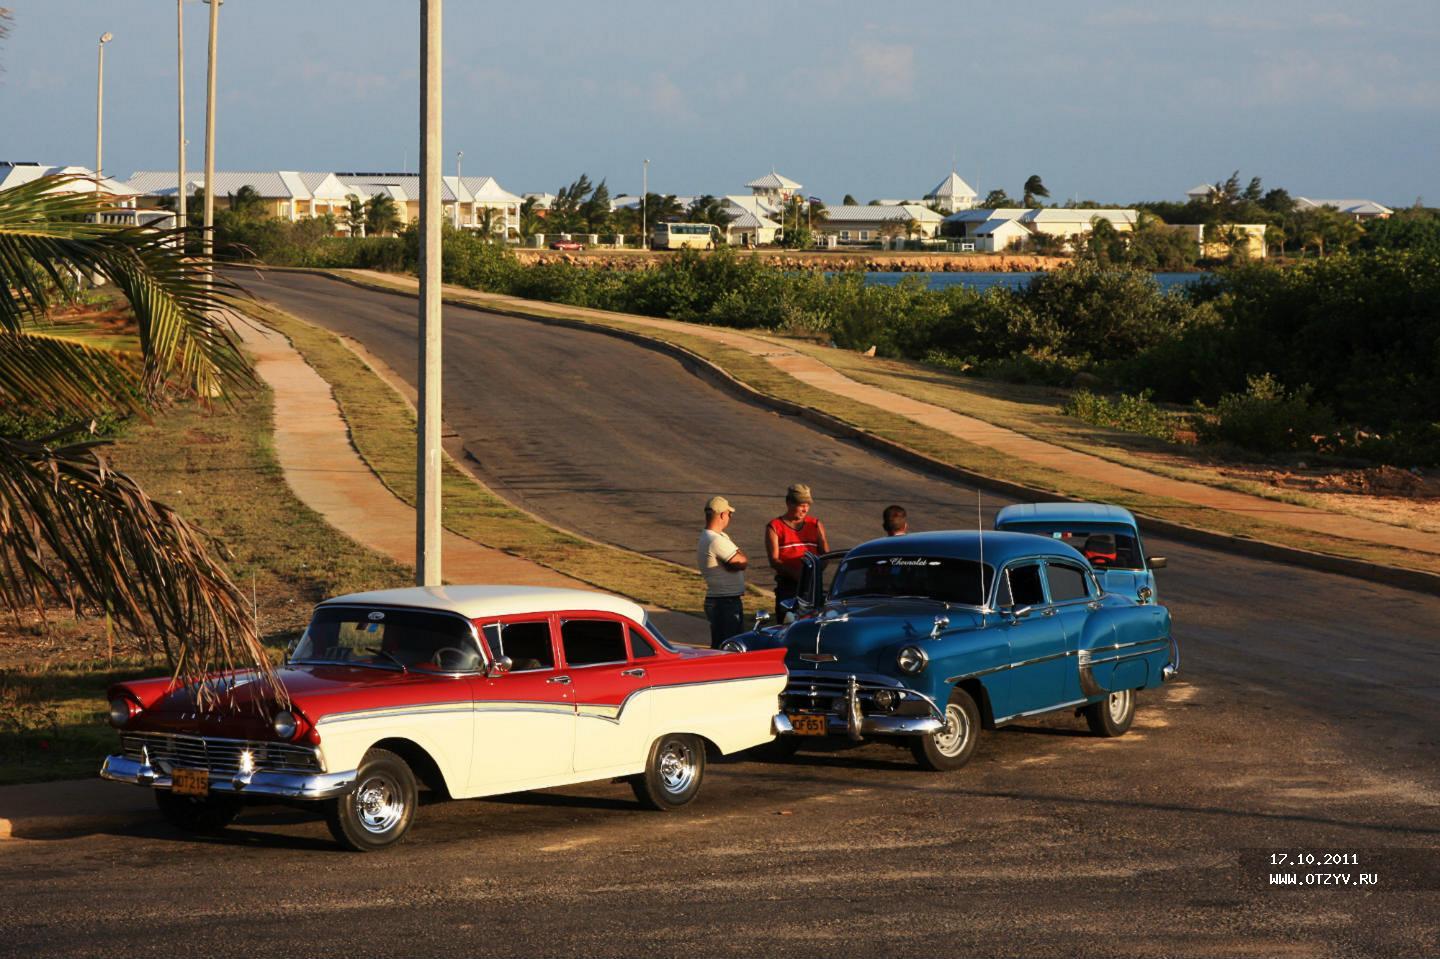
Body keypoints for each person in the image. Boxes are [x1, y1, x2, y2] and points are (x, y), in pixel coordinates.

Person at [765, 483, 829, 617]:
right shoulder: (775, 527)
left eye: (807, 505)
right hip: (787, 587)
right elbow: (774, 560)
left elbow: (825, 555)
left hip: (812, 587)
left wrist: (812, 574)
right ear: (789, 503)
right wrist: (796, 574)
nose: (805, 509)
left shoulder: (815, 525)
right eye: (801, 505)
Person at [696, 496, 748, 648]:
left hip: (723, 601)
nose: (730, 517)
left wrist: (733, 562)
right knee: (728, 647)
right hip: (725, 602)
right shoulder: (716, 540)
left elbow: (738, 558)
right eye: (729, 513)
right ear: (722, 515)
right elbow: (743, 562)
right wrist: (735, 561)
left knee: (725, 645)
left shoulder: (717, 537)